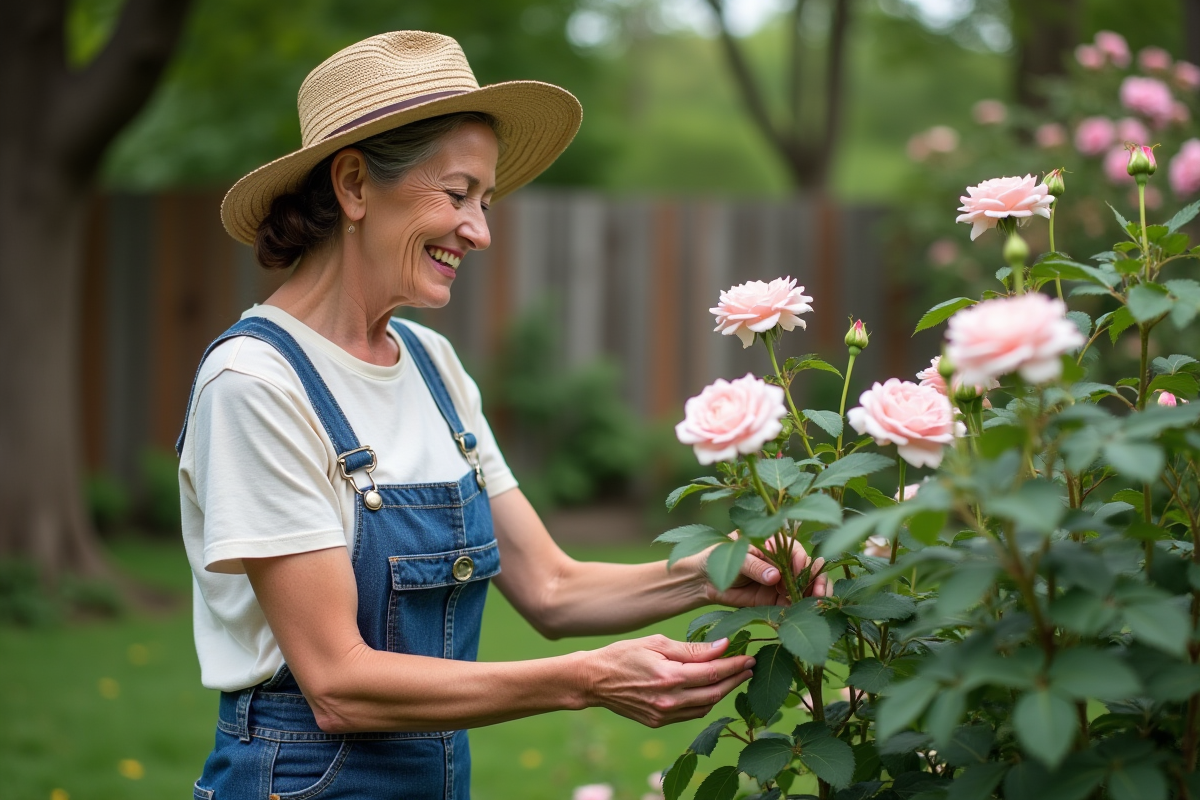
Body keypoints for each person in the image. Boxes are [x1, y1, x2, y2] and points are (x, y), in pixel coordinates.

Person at [180, 31, 828, 800]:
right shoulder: (256, 385)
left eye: (485, 202)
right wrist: (587, 679)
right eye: (456, 195)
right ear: (354, 185)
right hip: (300, 782)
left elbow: (550, 588)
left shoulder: (432, 366)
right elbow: (338, 682)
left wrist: (712, 575)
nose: (480, 231)